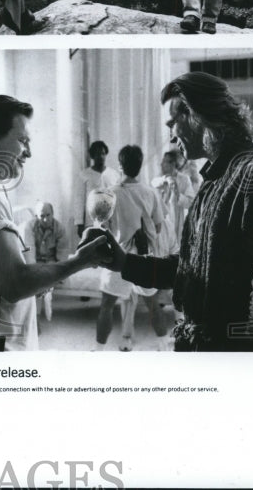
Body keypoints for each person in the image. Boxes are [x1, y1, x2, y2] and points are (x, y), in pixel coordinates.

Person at [101, 72, 253, 351]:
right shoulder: (213, 182)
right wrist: (124, 263)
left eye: (173, 124)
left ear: (199, 114)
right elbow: (187, 269)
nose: (171, 138)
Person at [0, 95, 109, 351]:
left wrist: (41, 280)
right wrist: (81, 260)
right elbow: (15, 282)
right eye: (22, 140)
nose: (29, 152)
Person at [95, 145, 169, 351]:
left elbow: (102, 229)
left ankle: (98, 352)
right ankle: (164, 348)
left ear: (120, 165)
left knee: (107, 305)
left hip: (119, 258)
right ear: (140, 165)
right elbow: (159, 226)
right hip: (145, 258)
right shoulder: (151, 192)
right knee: (153, 304)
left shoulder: (109, 194)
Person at [29, 200, 69, 320]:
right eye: (42, 216)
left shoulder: (60, 229)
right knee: (35, 277)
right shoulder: (30, 227)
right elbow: (29, 252)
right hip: (36, 262)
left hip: (52, 261)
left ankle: (40, 308)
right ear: (36, 216)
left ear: (53, 214)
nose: (45, 219)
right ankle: (35, 316)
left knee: (46, 276)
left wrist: (58, 272)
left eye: (48, 215)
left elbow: (62, 255)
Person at [74, 141, 121, 239]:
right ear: (92, 156)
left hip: (110, 222)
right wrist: (79, 224)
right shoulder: (84, 175)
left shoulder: (114, 174)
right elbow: (79, 200)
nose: (101, 156)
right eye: (97, 154)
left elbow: (118, 198)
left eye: (103, 153)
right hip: (91, 221)